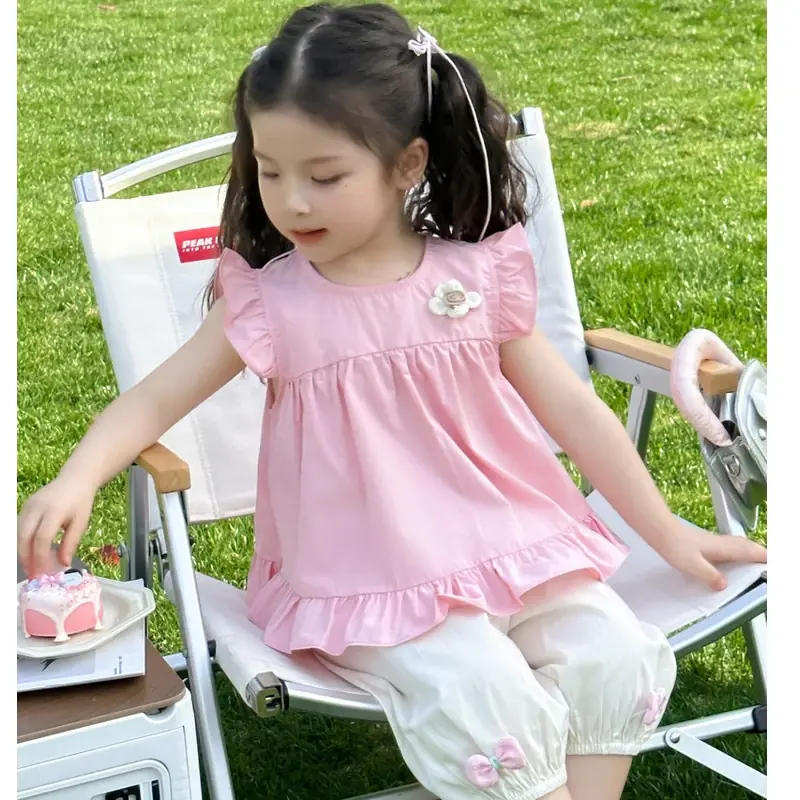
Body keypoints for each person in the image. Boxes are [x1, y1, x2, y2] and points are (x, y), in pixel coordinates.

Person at [17, 4, 766, 799]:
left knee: (611, 651)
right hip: (366, 580)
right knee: (481, 689)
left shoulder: (475, 277)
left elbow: (576, 414)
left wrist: (668, 534)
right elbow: (152, 399)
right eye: (269, 171)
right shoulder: (272, 305)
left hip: (512, 545)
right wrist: (77, 476)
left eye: (324, 177)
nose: (292, 202)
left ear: (408, 164)